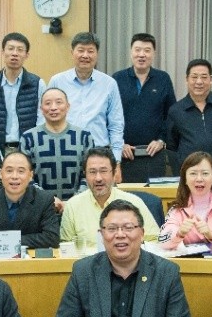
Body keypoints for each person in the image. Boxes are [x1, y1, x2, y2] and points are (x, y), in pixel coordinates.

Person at [53, 201, 193, 317]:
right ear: (101, 235)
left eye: (128, 227)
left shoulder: (166, 273)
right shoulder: (83, 271)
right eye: (111, 229)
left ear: (142, 233)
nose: (120, 235)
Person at [59, 147, 160, 246]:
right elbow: (66, 247)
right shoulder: (73, 206)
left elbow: (154, 240)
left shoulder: (134, 202)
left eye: (103, 171)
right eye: (92, 172)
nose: (98, 178)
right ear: (85, 175)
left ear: (114, 173)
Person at [47, 32, 124, 160]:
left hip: (99, 153)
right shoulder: (57, 81)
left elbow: (116, 124)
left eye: (90, 51)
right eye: (81, 50)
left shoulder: (109, 84)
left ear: (97, 54)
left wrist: (117, 160)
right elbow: (47, 119)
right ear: (72, 52)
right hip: (64, 152)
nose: (85, 55)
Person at [112, 33, 176, 181]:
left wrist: (161, 141)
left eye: (147, 50)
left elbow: (171, 115)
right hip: (124, 154)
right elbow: (109, 116)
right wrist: (119, 144)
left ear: (154, 53)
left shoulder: (163, 79)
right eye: (137, 50)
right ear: (131, 52)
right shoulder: (117, 79)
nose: (142, 55)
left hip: (154, 154)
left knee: (153, 193)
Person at [21, 87, 94, 211]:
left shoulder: (84, 137)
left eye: (59, 102)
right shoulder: (28, 138)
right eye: (48, 103)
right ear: (41, 109)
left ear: (68, 106)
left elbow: (89, 173)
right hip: (39, 208)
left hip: (78, 208)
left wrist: (74, 201)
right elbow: (25, 176)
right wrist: (47, 200)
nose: (53, 107)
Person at [0, 151, 60, 249]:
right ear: (0, 174)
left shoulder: (44, 200)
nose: (14, 176)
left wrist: (6, 241)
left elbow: (52, 238)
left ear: (31, 175)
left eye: (21, 171)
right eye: (9, 171)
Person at [165, 59, 212, 177]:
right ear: (187, 79)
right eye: (194, 77)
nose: (199, 82)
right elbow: (172, 147)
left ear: (211, 79)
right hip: (191, 177)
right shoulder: (176, 110)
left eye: (204, 77)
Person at [0, 32, 46, 155]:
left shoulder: (38, 83)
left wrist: (30, 148)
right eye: (10, 48)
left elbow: (42, 120)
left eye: (20, 50)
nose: (15, 53)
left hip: (29, 149)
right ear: (2, 52)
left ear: (26, 55)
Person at [157, 151, 212, 249]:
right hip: (188, 258)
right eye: (193, 173)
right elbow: (162, 242)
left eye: (205, 173)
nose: (199, 179)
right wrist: (179, 233)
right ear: (185, 180)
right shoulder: (177, 208)